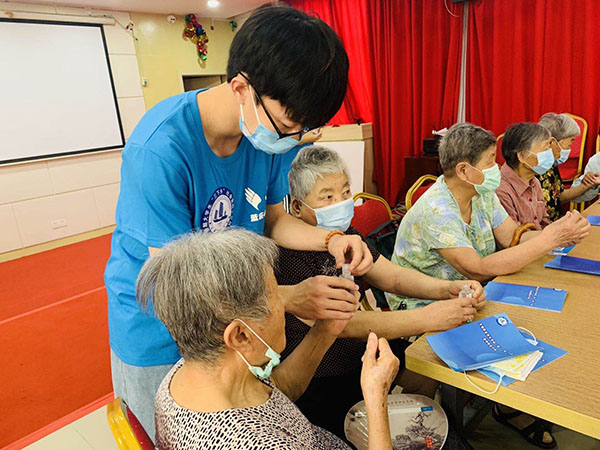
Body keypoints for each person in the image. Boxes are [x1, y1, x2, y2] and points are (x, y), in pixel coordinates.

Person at [104, 5, 374, 440]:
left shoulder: (265, 137)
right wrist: (288, 298)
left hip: (236, 320)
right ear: (241, 88)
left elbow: (272, 220)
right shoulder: (160, 151)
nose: (292, 140)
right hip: (162, 326)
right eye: (289, 126)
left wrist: (329, 239)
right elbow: (183, 289)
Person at [277, 145, 485, 438]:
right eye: (327, 197)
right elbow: (341, 324)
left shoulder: (347, 236)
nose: (341, 203)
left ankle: (417, 429)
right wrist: (428, 318)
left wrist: (448, 289)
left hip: (358, 348)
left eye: (345, 192)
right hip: (320, 370)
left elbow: (393, 277)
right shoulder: (286, 256)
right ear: (297, 207)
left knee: (426, 365)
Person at [137, 229, 399, 449]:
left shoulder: (193, 370)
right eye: (276, 296)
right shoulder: (258, 444)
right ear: (240, 335)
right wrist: (376, 399)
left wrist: (325, 331)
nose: (284, 306)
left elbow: (275, 394)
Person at [387, 122, 590, 310]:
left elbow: (512, 237)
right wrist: (549, 239)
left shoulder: (482, 193)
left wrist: (557, 234)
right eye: (490, 161)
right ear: (464, 171)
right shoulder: (436, 211)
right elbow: (476, 268)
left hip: (473, 291)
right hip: (426, 304)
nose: (497, 168)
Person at [537, 113, 600, 219]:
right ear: (553, 142)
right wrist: (589, 183)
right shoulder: (536, 166)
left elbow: (558, 196)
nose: (570, 148)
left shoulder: (550, 164)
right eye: (570, 142)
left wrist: (588, 185)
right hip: (543, 224)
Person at [496, 122, 553, 229]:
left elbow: (544, 222)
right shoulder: (502, 190)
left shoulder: (534, 181)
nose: (550, 154)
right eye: (545, 150)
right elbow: (515, 235)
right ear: (522, 156)